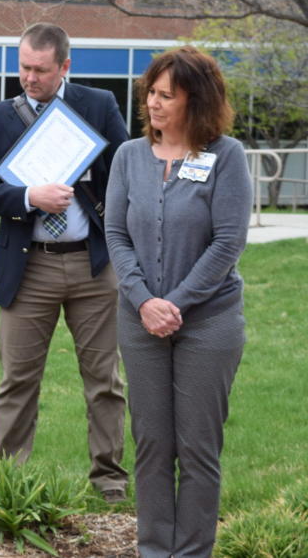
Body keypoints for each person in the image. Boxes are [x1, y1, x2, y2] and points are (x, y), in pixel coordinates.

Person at [105, 46, 251, 557]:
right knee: (151, 445)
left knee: (197, 449)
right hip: (139, 320)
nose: (154, 104)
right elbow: (116, 233)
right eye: (151, 93)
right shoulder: (128, 156)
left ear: (198, 100)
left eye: (168, 95)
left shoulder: (226, 156)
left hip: (208, 324)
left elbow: (228, 242)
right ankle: (153, 550)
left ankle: (191, 553)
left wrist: (177, 303)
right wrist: (145, 301)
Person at [0, 23, 129, 501]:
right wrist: (29, 195)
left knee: (105, 381)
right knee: (16, 382)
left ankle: (109, 482)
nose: (29, 78)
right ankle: (10, 483)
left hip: (93, 264)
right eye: (23, 67)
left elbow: (124, 174)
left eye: (40, 70)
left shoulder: (98, 105)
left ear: (64, 67)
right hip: (29, 266)